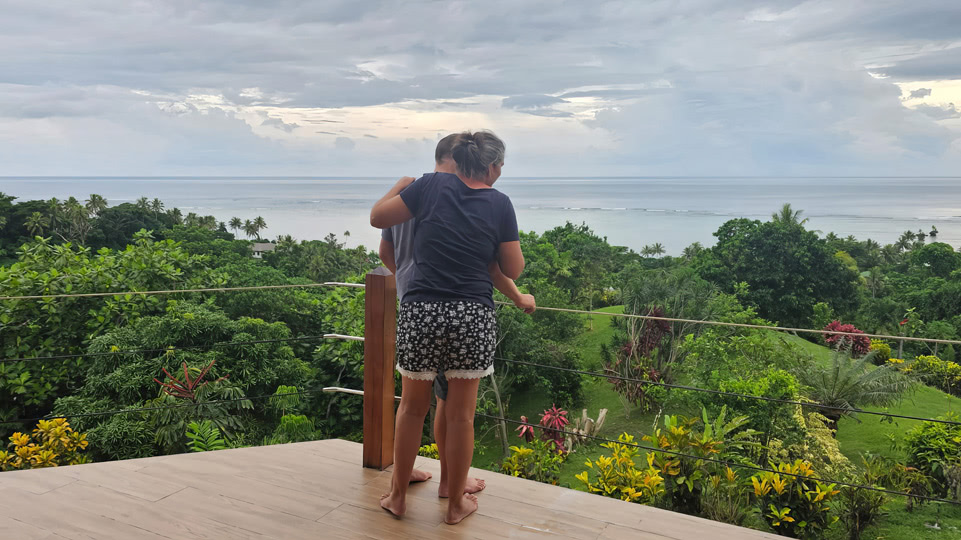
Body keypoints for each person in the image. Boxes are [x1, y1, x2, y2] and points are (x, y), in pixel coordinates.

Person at [370, 130, 525, 525]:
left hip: (421, 309)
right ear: (492, 167)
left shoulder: (430, 185)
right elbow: (512, 268)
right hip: (472, 316)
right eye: (502, 166)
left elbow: (378, 219)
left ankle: (398, 497)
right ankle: (455, 504)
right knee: (460, 416)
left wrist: (403, 185)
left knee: (411, 408)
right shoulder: (499, 203)